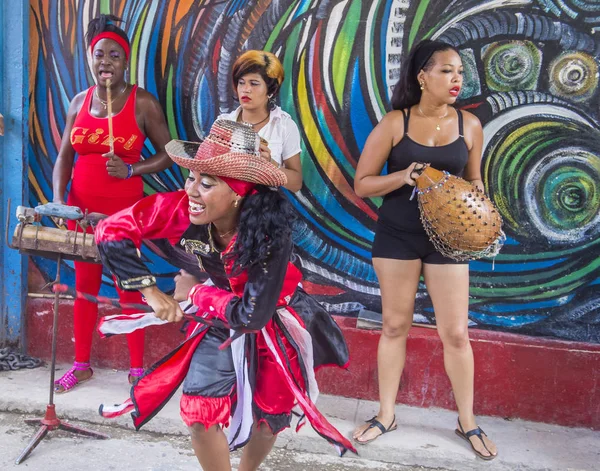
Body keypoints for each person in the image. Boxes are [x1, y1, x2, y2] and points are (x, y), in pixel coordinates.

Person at [94, 119, 355, 470]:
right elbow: (111, 230)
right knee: (200, 414)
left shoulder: (270, 235)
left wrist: (198, 293)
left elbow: (253, 316)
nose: (191, 191)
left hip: (274, 324)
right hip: (218, 321)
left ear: (238, 192)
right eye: (191, 178)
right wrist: (151, 291)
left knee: (269, 418)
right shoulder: (185, 209)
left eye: (207, 183)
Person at [352, 40, 498, 460]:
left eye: (459, 73)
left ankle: (467, 421)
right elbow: (363, 183)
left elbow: (474, 181)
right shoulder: (395, 122)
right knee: (394, 326)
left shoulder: (469, 126)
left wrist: (477, 203)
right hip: (397, 235)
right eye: (447, 71)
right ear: (423, 76)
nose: (456, 80)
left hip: (448, 241)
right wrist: (404, 175)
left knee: (455, 332)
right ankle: (385, 414)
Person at [51, 14, 172, 392]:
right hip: (80, 211)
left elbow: (170, 153)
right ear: (91, 59)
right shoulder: (79, 101)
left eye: (115, 55)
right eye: (99, 54)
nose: (106, 61)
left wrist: (133, 168)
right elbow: (64, 159)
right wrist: (58, 201)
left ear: (126, 61)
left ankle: (137, 370)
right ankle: (82, 364)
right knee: (84, 286)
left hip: (122, 215)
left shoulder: (143, 102)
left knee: (129, 286)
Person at [218, 50, 303, 192]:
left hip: (263, 208)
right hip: (226, 206)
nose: (246, 90)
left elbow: (296, 184)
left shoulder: (284, 126)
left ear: (270, 90)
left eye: (254, 83)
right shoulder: (223, 123)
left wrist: (270, 165)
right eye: (241, 83)